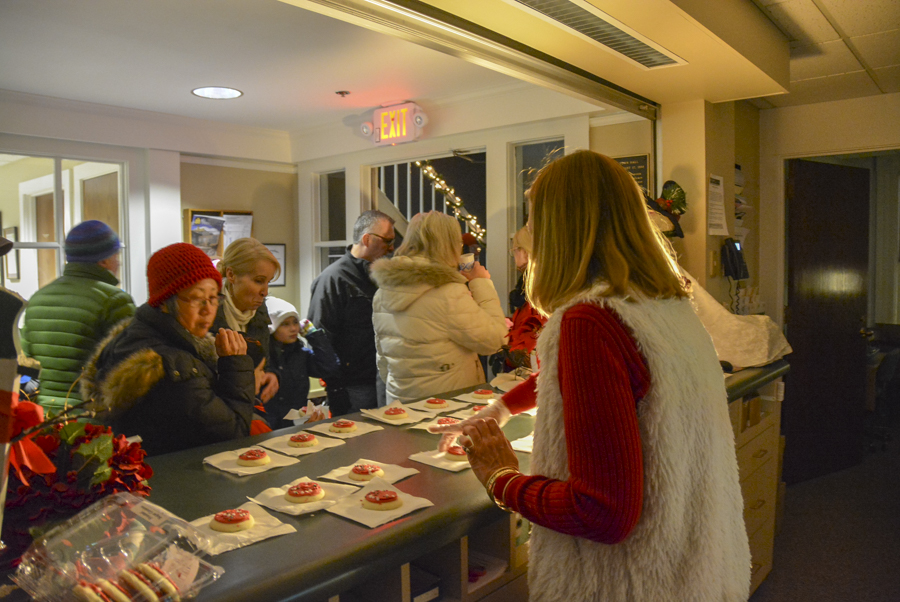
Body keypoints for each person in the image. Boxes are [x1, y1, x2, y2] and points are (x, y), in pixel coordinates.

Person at [432, 151, 751, 601]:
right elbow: (598, 378)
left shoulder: (588, 321)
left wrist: (500, 477)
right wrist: (500, 408)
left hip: (629, 583)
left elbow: (601, 513)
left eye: (533, 221)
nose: (526, 235)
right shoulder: (662, 304)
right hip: (696, 566)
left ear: (560, 230)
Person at [81, 243, 256, 456]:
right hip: (173, 474)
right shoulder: (172, 365)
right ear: (165, 302)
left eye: (213, 298)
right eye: (197, 298)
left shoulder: (134, 337)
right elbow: (234, 433)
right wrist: (236, 364)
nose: (208, 309)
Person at [370, 211, 507, 403]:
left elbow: (383, 358)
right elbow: (495, 340)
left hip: (400, 402)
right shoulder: (447, 292)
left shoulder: (383, 292)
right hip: (446, 404)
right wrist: (481, 283)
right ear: (448, 244)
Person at [20, 220, 135, 412]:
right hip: (89, 418)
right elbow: (126, 369)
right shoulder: (115, 300)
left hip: (43, 416)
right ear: (103, 261)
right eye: (116, 255)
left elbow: (26, 365)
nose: (119, 262)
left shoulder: (38, 298)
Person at [307, 210, 395, 414]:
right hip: (354, 385)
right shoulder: (333, 279)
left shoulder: (384, 276)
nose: (391, 248)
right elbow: (319, 336)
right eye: (387, 240)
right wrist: (335, 384)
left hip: (386, 378)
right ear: (367, 239)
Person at [212, 238, 281, 404]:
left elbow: (262, 361)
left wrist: (270, 374)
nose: (265, 291)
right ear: (231, 275)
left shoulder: (260, 312)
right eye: (258, 281)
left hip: (249, 407)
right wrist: (248, 380)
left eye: (268, 282)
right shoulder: (208, 312)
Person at [264, 296, 339, 429]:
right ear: (272, 328)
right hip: (268, 426)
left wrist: (314, 336)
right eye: (285, 324)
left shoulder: (301, 354)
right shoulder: (263, 358)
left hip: (297, 424)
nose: (293, 328)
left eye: (295, 322)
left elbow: (329, 367)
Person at [490, 225, 546, 373]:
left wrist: (508, 352)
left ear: (526, 252)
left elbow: (532, 334)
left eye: (515, 250)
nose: (514, 255)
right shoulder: (532, 287)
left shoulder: (534, 290)